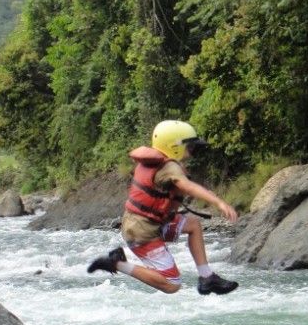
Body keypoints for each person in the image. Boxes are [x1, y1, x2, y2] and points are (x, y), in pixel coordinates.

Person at [87, 120, 240, 295]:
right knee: (172, 284)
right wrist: (219, 202)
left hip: (148, 222)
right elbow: (186, 186)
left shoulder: (161, 164)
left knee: (193, 226)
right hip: (142, 231)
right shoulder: (169, 166)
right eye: (190, 147)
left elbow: (173, 190)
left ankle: (207, 278)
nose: (192, 153)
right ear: (175, 146)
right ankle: (117, 264)